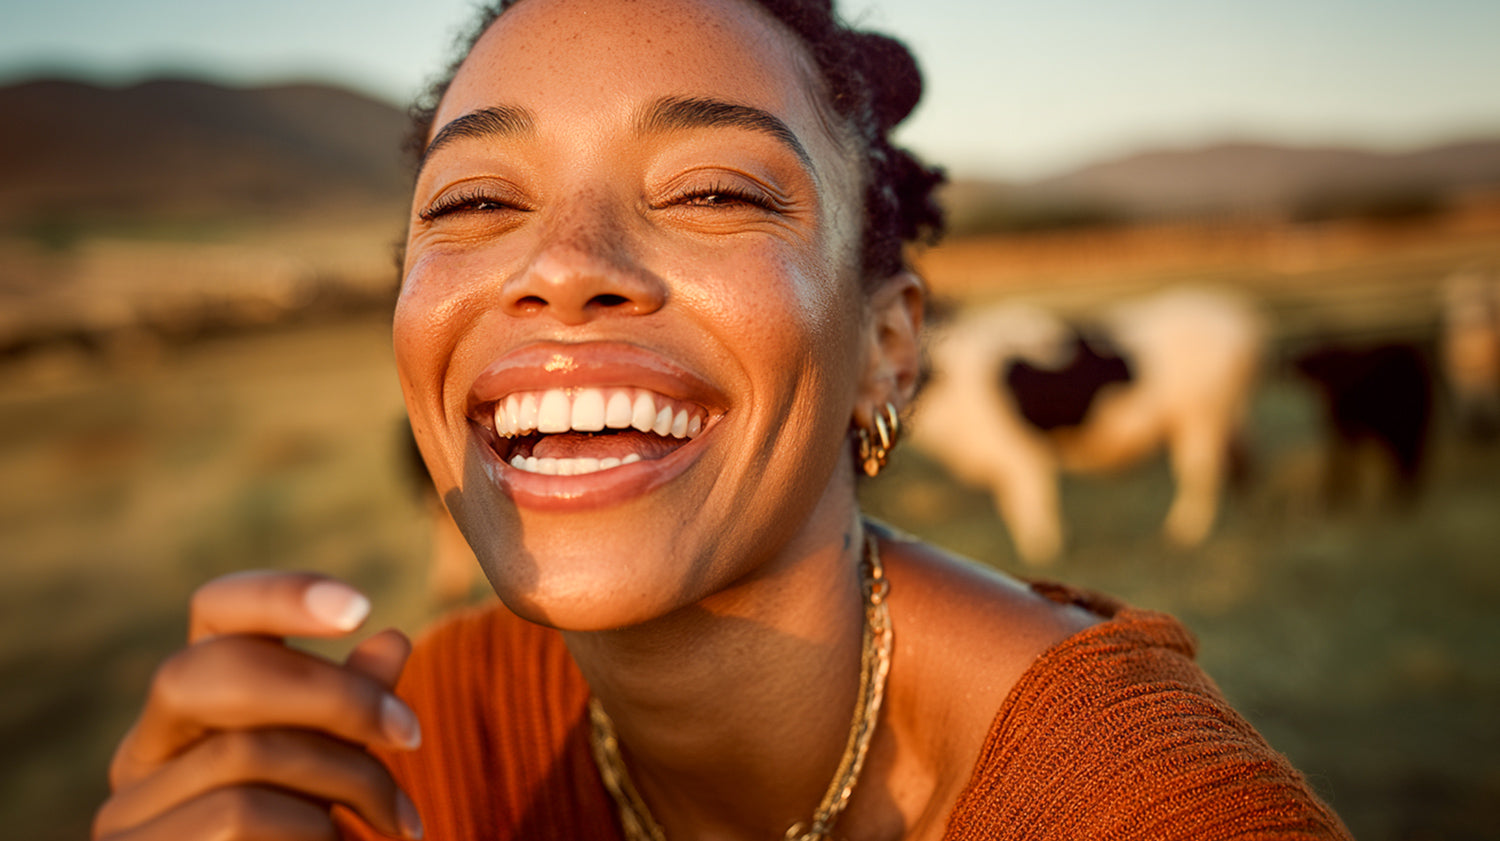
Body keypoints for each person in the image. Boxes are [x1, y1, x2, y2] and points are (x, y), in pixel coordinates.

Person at [93, 1, 1353, 839]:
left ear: (889, 347)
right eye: (473, 199)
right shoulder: (425, 738)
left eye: (709, 188)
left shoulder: (1149, 809)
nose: (563, 264)